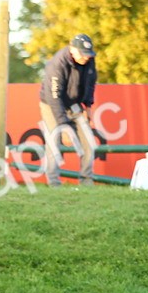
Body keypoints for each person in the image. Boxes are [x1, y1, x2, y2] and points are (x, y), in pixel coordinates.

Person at [39, 33, 98, 187]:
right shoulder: (57, 64)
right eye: (83, 54)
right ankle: (53, 183)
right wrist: (64, 127)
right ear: (72, 49)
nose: (86, 58)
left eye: (89, 54)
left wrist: (88, 107)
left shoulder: (88, 60)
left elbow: (90, 84)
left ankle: (86, 181)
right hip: (52, 104)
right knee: (54, 140)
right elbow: (54, 98)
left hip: (74, 103)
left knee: (88, 142)